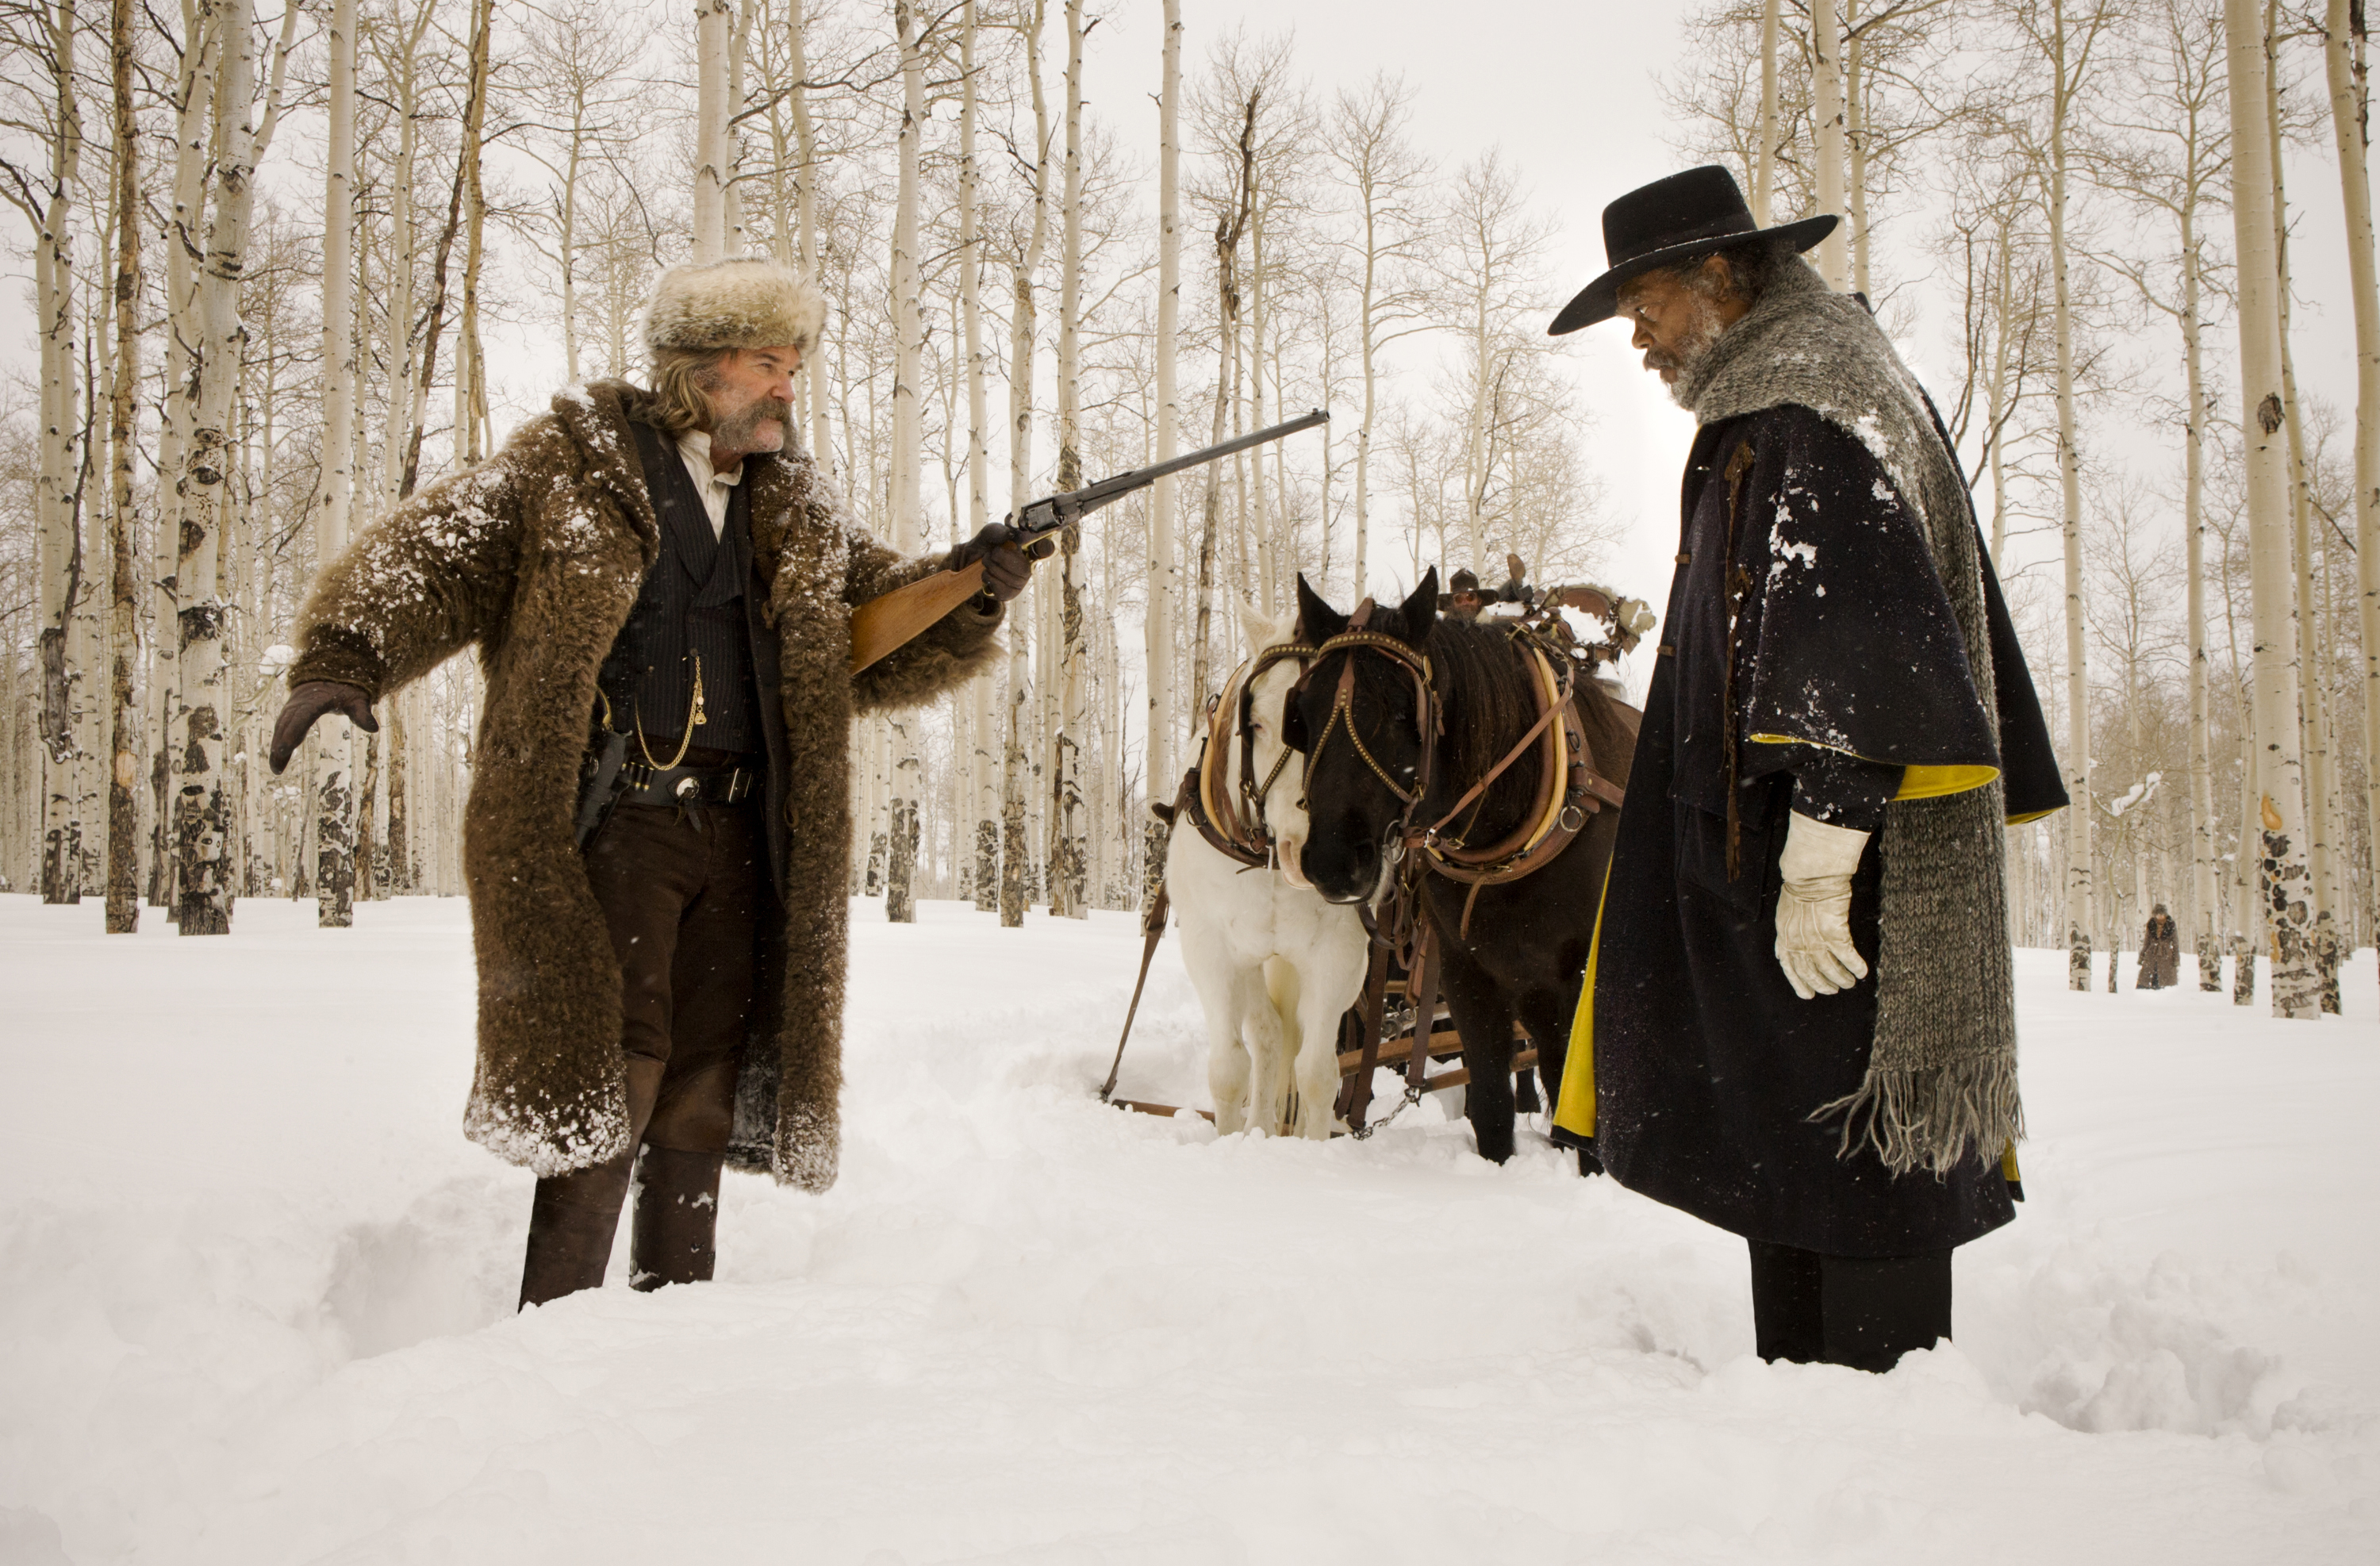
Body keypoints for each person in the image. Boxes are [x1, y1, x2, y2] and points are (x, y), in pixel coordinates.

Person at [269, 259, 1042, 1307]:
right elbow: (441, 554)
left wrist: (973, 587)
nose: (788, 385)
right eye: (772, 363)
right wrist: (342, 656)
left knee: (701, 1093)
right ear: (704, 367)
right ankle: (554, 1330)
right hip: (618, 823)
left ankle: (670, 1336)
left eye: (796, 364)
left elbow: (871, 633)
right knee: (611, 1087)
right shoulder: (573, 467)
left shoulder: (792, 505)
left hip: (743, 836)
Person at [1545, 167, 2067, 1372]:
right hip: (1773, 872)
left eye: (1649, 305)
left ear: (1724, 277)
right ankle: (1813, 1413)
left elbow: (1860, 646)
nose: (1640, 339)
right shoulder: (1783, 398)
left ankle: (1879, 1444)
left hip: (1839, 889)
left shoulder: (1810, 409)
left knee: (1857, 1161)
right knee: (1799, 1159)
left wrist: (1822, 863)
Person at [2136, 904, 2180, 990]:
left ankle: (2163, 988)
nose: (2160, 916)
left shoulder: (2170, 925)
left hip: (2166, 954)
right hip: (2152, 953)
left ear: (2165, 915)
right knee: (2148, 973)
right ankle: (2146, 987)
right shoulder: (2151, 924)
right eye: (2158, 914)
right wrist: (2142, 956)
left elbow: (2175, 943)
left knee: (2165, 976)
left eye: (2162, 914)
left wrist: (2176, 959)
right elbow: (2147, 942)